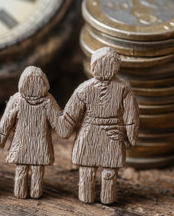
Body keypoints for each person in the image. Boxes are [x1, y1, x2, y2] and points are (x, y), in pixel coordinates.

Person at [60, 47, 139, 204]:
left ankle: (86, 196)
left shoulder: (84, 88)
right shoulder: (124, 88)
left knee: (87, 170)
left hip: (90, 131)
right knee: (109, 171)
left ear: (92, 66)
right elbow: (132, 116)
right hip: (113, 133)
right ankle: (107, 198)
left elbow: (70, 114)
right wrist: (131, 136)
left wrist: (64, 130)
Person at [0, 66, 62, 199]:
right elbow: (59, 125)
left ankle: (29, 192)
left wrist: (0, 137)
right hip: (33, 144)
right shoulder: (43, 101)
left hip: (30, 143)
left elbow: (4, 125)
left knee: (28, 169)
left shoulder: (45, 102)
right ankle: (30, 192)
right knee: (31, 169)